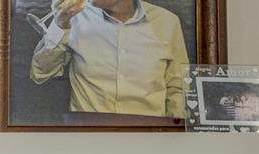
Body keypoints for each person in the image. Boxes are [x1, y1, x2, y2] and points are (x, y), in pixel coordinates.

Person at [30, 0, 190, 119]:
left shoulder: (167, 22)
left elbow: (178, 88)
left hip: (149, 133)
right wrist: (59, 25)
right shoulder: (74, 18)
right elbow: (40, 74)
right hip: (88, 134)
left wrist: (172, 137)